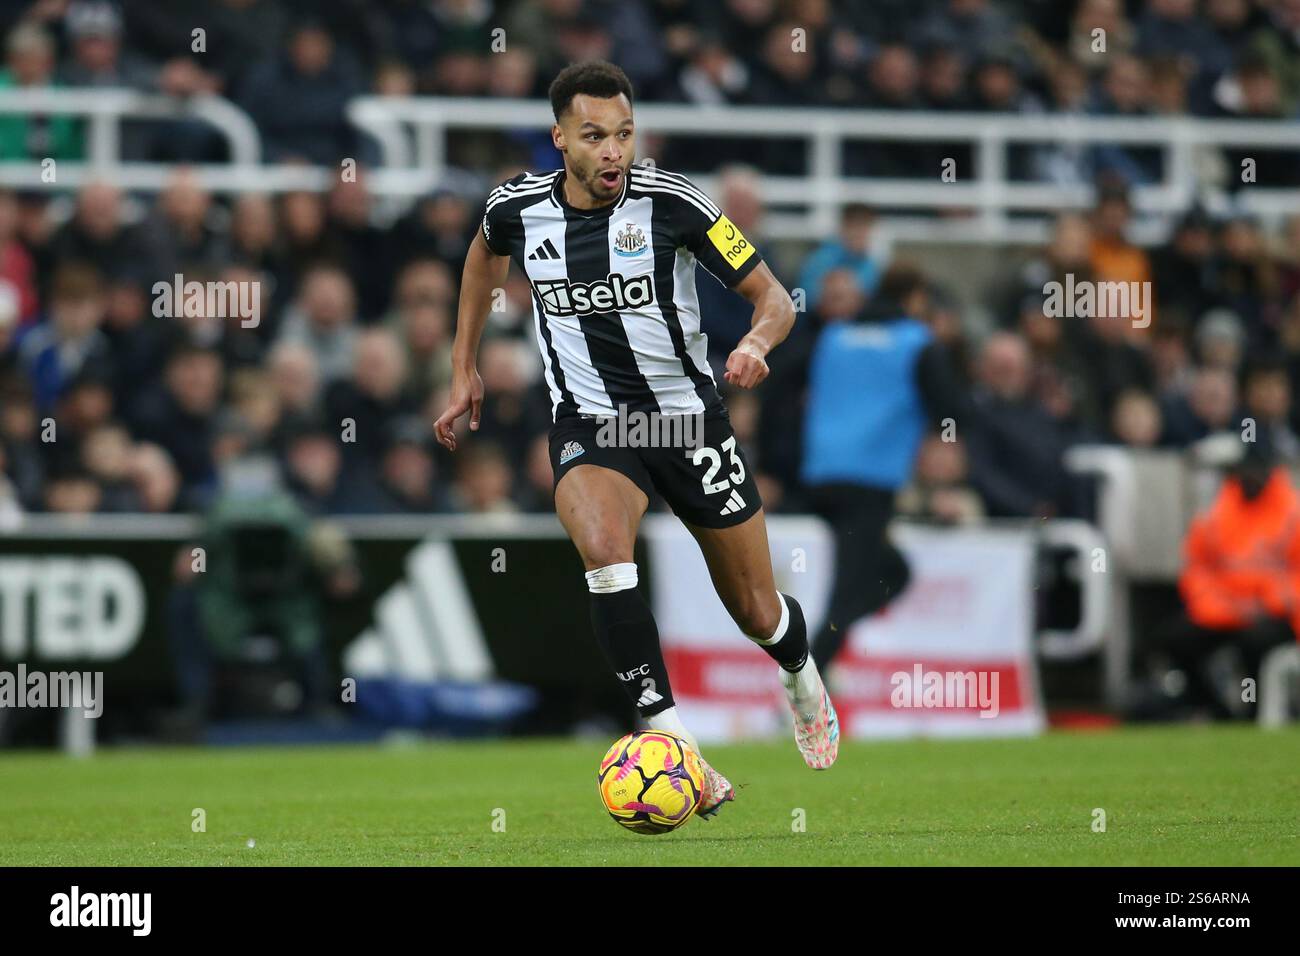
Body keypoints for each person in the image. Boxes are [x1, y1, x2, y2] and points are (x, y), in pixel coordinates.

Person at [434, 61, 836, 820]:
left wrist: (755, 345)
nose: (614, 150)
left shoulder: (673, 203)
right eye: (595, 136)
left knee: (755, 609)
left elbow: (774, 299)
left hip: (687, 421)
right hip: (593, 424)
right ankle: (673, 738)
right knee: (603, 552)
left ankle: (797, 666)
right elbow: (482, 255)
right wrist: (464, 368)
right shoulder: (515, 209)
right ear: (560, 139)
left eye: (624, 133)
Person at [801, 263, 968, 672]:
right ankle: (805, 677)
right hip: (869, 479)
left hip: (821, 475)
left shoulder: (834, 335)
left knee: (893, 571)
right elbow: (950, 409)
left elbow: (793, 390)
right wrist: (946, 450)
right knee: (848, 591)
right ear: (914, 299)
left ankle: (823, 647)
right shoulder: (916, 341)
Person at [1148, 438, 1300, 718]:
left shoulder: (1292, 512)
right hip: (1227, 611)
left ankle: (1253, 713)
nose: (1248, 476)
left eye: (1255, 469)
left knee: (1254, 643)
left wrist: (1267, 603)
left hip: (1277, 614)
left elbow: (1295, 577)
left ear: (1271, 470)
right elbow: (1197, 570)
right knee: (1172, 639)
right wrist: (1223, 607)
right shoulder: (1217, 512)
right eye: (1243, 469)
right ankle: (1215, 709)